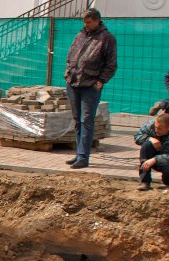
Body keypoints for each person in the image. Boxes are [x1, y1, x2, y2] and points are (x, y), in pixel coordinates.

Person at [64, 8, 117, 169]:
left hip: (90, 85)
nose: (86, 25)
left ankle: (84, 157)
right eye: (84, 22)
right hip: (73, 83)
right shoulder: (81, 35)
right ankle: (78, 153)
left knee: (86, 121)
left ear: (96, 21)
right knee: (77, 120)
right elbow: (71, 55)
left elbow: (111, 64)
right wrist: (68, 73)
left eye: (88, 22)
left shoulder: (107, 39)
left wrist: (101, 80)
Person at [134, 113, 169, 191]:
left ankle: (168, 184)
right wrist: (149, 138)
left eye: (159, 128)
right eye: (156, 127)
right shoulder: (151, 125)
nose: (156, 130)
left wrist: (156, 159)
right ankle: (145, 182)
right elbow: (137, 137)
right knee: (146, 145)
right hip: (154, 157)